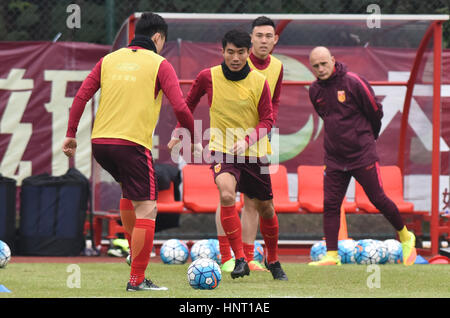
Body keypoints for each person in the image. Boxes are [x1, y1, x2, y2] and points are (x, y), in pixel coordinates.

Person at [62, 12, 196, 291]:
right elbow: (181, 107)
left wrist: (71, 135)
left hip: (101, 144)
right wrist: (190, 136)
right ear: (158, 37)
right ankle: (137, 279)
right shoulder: (160, 63)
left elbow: (81, 96)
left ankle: (133, 254)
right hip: (131, 144)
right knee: (148, 206)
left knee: (129, 193)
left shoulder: (108, 60)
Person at [169, 29, 288, 280]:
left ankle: (274, 260)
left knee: (266, 208)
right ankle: (239, 259)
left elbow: (267, 120)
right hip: (222, 150)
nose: (235, 57)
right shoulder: (207, 76)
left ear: (248, 53)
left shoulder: (258, 81)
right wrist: (179, 131)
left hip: (254, 153)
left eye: (241, 53)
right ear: (222, 51)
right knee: (225, 193)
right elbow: (186, 106)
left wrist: (247, 141)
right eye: (230, 52)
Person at [307, 46, 417, 266]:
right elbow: (326, 117)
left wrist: (366, 138)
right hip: (335, 159)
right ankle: (331, 255)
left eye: (324, 63)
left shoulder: (353, 82)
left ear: (333, 60)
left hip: (362, 154)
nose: (320, 69)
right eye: (316, 66)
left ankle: (405, 236)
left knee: (378, 199)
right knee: (330, 204)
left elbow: (375, 111)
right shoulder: (314, 90)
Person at [214, 16, 284, 273]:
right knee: (225, 195)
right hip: (226, 142)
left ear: (275, 39)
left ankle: (250, 257)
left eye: (269, 36)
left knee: (256, 202)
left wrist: (269, 123)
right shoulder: (233, 62)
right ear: (250, 38)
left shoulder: (276, 67)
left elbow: (274, 100)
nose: (263, 40)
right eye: (259, 36)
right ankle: (227, 257)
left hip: (256, 143)